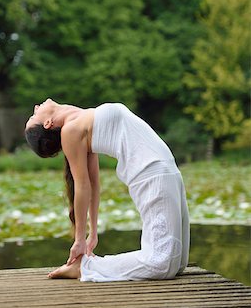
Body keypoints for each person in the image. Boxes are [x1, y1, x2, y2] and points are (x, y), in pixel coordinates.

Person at [25, 98, 190, 282]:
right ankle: (84, 268)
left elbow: (95, 184)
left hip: (168, 170)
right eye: (34, 115)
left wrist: (93, 233)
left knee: (178, 264)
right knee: (161, 262)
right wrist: (80, 239)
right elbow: (83, 185)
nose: (36, 107)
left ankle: (85, 266)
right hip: (151, 174)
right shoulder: (71, 130)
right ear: (47, 124)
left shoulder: (84, 117)